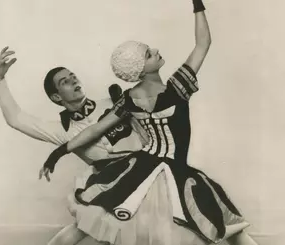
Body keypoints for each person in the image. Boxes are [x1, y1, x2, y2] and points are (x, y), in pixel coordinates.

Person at [42, 0, 259, 244]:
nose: (155, 51)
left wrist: (59, 152)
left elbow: (96, 128)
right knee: (225, 224)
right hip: (174, 173)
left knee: (98, 219)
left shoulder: (129, 99)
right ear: (141, 68)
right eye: (148, 54)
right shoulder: (177, 88)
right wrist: (198, 4)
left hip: (140, 169)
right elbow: (203, 43)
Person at [0, 47, 147, 245]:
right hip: (111, 187)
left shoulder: (113, 102)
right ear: (57, 97)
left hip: (146, 178)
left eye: (73, 76)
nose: (73, 80)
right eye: (65, 82)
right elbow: (16, 119)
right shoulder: (63, 131)